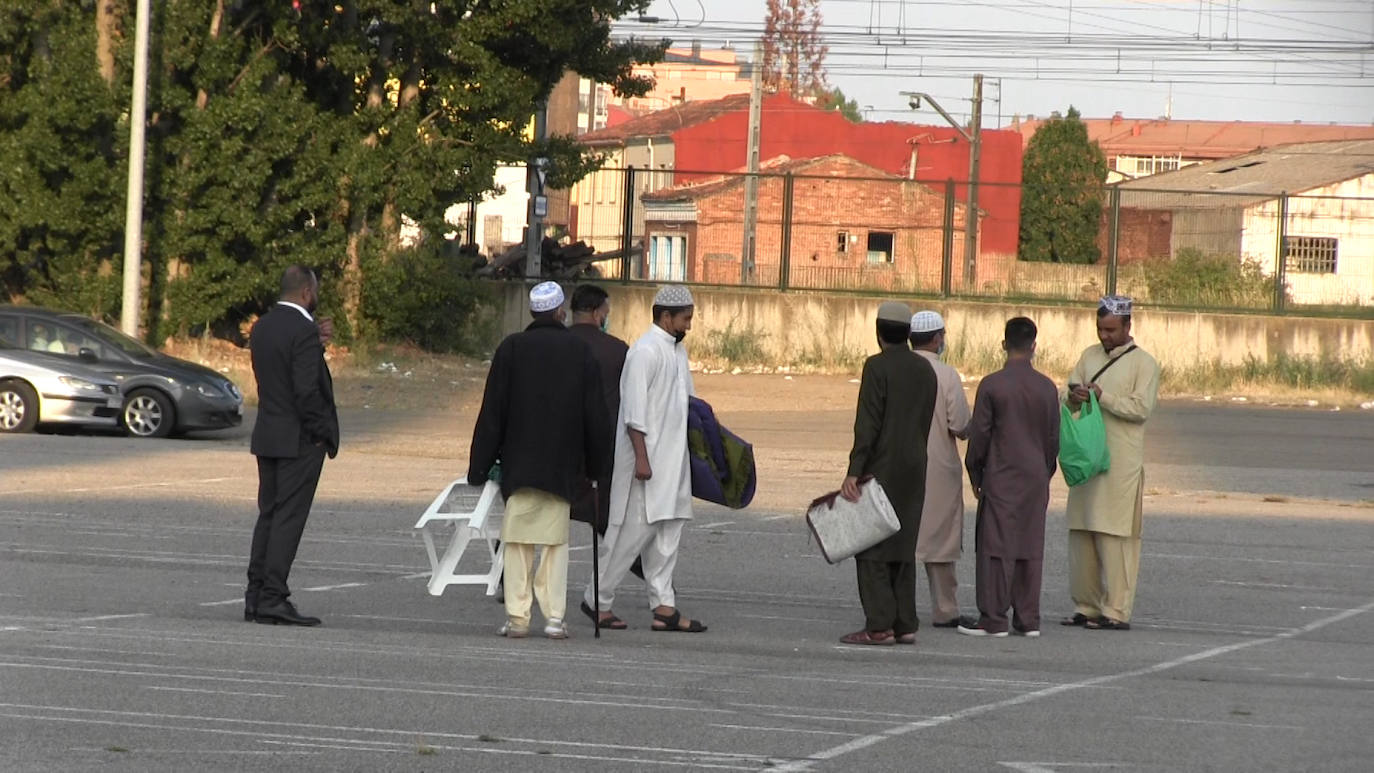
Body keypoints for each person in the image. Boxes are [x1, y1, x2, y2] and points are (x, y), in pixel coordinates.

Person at [469, 282, 608, 640]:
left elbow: (492, 413)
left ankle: (518, 617)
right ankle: (554, 618)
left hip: (520, 464)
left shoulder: (512, 349)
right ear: (560, 311)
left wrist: (479, 465)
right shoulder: (579, 351)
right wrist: (597, 468)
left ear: (533, 312)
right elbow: (595, 415)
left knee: (516, 542)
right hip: (561, 465)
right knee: (555, 544)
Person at [582, 284, 706, 633]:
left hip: (674, 462)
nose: (689, 326)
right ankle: (597, 600)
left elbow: (688, 405)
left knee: (669, 533)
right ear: (666, 317)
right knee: (630, 536)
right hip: (645, 465)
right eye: (685, 319)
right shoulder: (645, 352)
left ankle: (664, 606)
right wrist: (642, 459)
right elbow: (634, 414)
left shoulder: (676, 351)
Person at [838, 301, 938, 646]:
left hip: (881, 467)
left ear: (879, 331)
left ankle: (879, 624)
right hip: (916, 465)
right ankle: (904, 622)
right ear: (908, 333)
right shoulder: (925, 369)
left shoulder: (876, 367)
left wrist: (855, 470)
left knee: (871, 545)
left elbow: (868, 424)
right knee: (903, 541)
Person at [245, 265, 339, 626]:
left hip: (268, 433)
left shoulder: (263, 326)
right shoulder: (301, 330)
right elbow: (304, 390)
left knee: (269, 515)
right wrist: (319, 432)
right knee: (288, 519)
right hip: (298, 439)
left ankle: (255, 596)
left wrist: (313, 344)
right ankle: (273, 596)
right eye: (315, 290)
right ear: (306, 293)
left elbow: (281, 374)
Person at [1061, 295, 1160, 632]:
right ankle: (1086, 606)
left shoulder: (1144, 364)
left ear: (1128, 326)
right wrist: (1072, 394)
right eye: (1101, 329)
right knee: (1082, 532)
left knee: (1115, 536)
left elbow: (1140, 408)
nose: (1104, 336)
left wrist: (1105, 397)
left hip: (1120, 464)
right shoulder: (1089, 356)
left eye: (1111, 330)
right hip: (1086, 459)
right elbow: (1069, 388)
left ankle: (1115, 610)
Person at [959, 317, 1060, 638]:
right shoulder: (1047, 387)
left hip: (1001, 474)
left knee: (995, 547)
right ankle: (1027, 618)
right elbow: (1053, 439)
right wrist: (1044, 473)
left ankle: (994, 618)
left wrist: (975, 472)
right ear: (1034, 346)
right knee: (1029, 545)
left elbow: (981, 435)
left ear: (1004, 344)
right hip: (1034, 476)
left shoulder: (992, 384)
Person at [908, 310, 974, 630]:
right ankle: (945, 610)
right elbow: (960, 424)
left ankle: (898, 605)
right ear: (937, 338)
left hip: (900, 466)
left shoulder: (895, 370)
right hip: (938, 468)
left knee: (903, 536)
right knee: (941, 540)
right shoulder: (946, 375)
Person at [566, 284, 628, 536]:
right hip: (604, 447)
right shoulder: (616, 350)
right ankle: (633, 565)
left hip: (559, 447)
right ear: (596, 314)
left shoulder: (554, 344)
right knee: (606, 514)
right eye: (606, 312)